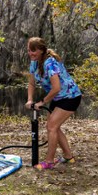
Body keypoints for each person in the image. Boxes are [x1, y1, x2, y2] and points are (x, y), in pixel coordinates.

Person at [25, 37, 82, 170]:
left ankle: (49, 162)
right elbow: (32, 82)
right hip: (58, 98)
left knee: (51, 126)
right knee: (53, 127)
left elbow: (56, 88)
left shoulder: (50, 63)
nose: (30, 53)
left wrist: (42, 102)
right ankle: (68, 157)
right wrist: (29, 99)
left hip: (70, 96)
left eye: (33, 51)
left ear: (41, 51)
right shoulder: (34, 63)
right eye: (29, 50)